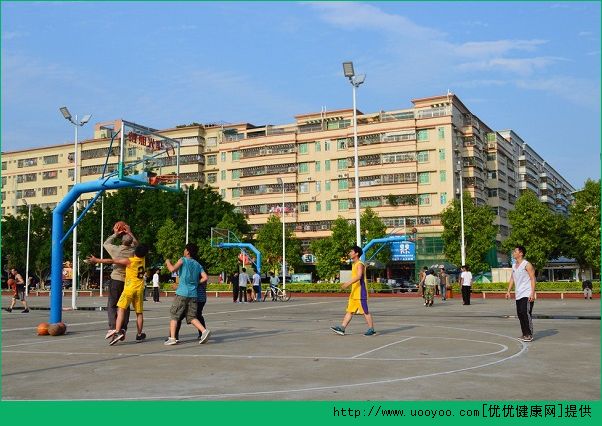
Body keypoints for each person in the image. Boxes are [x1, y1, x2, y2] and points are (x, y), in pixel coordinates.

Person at [87, 245, 149, 345]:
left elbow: (111, 261)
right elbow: (139, 245)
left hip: (129, 289)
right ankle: (139, 334)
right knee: (139, 313)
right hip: (139, 290)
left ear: (135, 251)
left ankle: (117, 331)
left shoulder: (129, 261)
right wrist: (129, 232)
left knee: (120, 308)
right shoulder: (143, 260)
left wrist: (97, 260)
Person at [164, 243, 211, 345]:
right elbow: (205, 277)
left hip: (182, 292)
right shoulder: (198, 264)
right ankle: (204, 331)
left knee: (174, 315)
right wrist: (196, 283)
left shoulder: (183, 260)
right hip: (193, 294)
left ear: (188, 252)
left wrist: (168, 262)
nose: (184, 251)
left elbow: (172, 269)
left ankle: (172, 338)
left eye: (185, 249)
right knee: (192, 317)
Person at [102, 223, 138, 340]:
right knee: (125, 307)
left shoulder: (116, 250)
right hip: (127, 282)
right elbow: (137, 244)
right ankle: (122, 328)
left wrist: (115, 233)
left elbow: (106, 243)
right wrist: (130, 232)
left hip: (116, 279)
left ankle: (113, 326)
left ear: (121, 241)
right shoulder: (133, 251)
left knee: (112, 305)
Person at [330, 245, 375, 336]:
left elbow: (359, 276)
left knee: (365, 311)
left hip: (360, 292)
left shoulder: (360, 264)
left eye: (351, 251)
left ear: (356, 253)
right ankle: (342, 328)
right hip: (354, 292)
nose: (349, 253)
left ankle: (371, 329)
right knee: (350, 311)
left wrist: (347, 283)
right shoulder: (354, 264)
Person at [505, 245, 536, 342]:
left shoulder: (527, 264)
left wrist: (532, 293)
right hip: (518, 294)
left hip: (527, 293)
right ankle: (524, 334)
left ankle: (529, 334)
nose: (513, 253)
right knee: (520, 314)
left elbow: (532, 278)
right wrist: (508, 291)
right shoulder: (514, 265)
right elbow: (512, 278)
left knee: (525, 313)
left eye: (515, 251)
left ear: (521, 253)